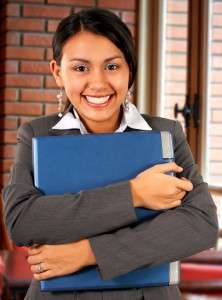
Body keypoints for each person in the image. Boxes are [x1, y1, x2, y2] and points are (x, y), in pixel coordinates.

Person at [2, 8, 218, 300]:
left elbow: (200, 223)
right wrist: (134, 194)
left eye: (112, 67)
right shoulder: (37, 135)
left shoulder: (165, 134)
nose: (99, 83)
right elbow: (23, 221)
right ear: (57, 72)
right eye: (81, 68)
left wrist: (86, 252)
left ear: (130, 69)